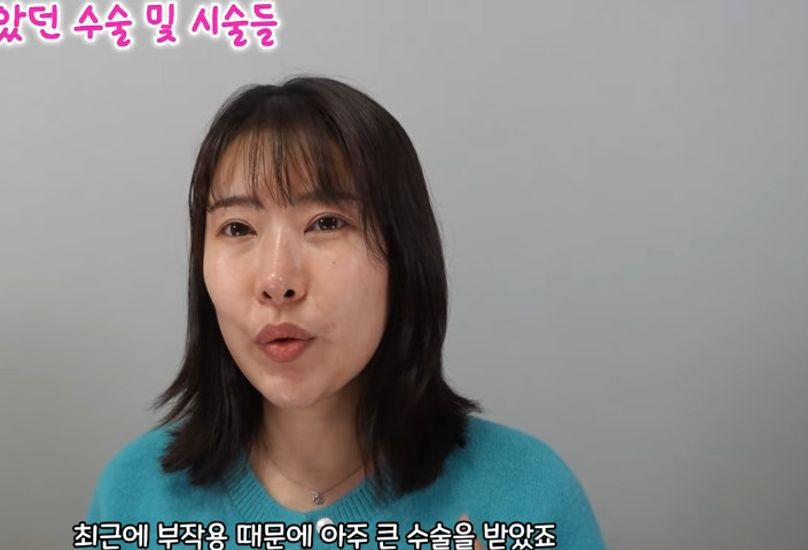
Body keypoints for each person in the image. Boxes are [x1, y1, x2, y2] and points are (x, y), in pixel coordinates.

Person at [83, 76, 606, 549]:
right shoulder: (134, 499)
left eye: (327, 223)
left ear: (404, 255)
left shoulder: (527, 500)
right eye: (237, 228)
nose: (277, 282)